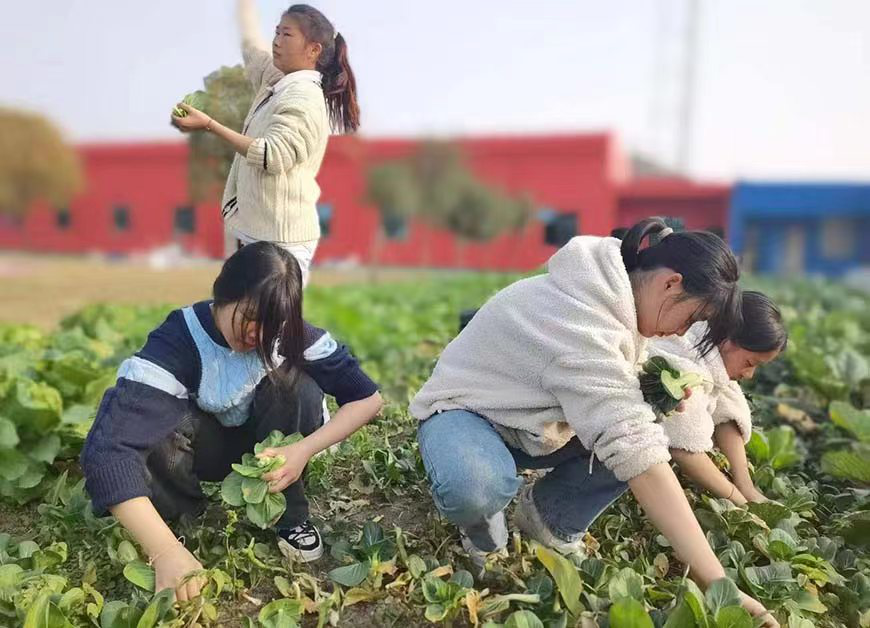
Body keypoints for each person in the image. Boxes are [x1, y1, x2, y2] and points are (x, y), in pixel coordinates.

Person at [411, 217, 778, 626]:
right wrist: (717, 580)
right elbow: (637, 451)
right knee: (475, 488)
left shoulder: (618, 299)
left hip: (536, 426)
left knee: (649, 412)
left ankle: (550, 519)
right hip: (467, 415)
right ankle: (482, 532)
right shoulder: (581, 322)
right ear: (671, 283)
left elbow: (627, 416)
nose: (682, 333)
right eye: (691, 319)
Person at [80, 242, 382, 601]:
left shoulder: (289, 334)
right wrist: (163, 551)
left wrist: (303, 449)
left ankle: (290, 516)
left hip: (270, 449)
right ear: (224, 293)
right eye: (251, 317)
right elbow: (108, 450)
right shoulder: (178, 339)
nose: (257, 335)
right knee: (154, 434)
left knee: (297, 386)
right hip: (202, 447)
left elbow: (368, 398)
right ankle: (185, 521)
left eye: (271, 324)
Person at [172, 0, 361, 286]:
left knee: (266, 327)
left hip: (280, 245)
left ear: (313, 50)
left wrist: (209, 124)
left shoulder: (304, 99)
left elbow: (271, 155)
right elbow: (251, 45)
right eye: (276, 32)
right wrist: (244, 6)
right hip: (255, 232)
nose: (276, 41)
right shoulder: (276, 80)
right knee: (243, 322)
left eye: (287, 35)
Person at [650, 291, 787, 504]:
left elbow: (728, 411)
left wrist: (746, 488)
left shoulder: (709, 346)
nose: (749, 375)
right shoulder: (686, 366)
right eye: (750, 363)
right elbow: (685, 449)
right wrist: (738, 500)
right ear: (728, 339)